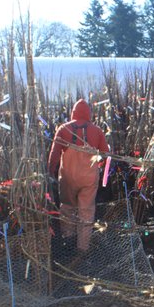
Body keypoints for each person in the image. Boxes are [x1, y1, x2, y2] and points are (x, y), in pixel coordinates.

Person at [47, 99, 110, 254]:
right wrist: (100, 169)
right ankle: (83, 247)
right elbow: (106, 154)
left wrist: (50, 172)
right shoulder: (97, 131)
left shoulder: (63, 129)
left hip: (67, 178)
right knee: (86, 211)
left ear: (73, 113)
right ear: (89, 114)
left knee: (67, 208)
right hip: (88, 179)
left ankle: (68, 240)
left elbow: (54, 155)